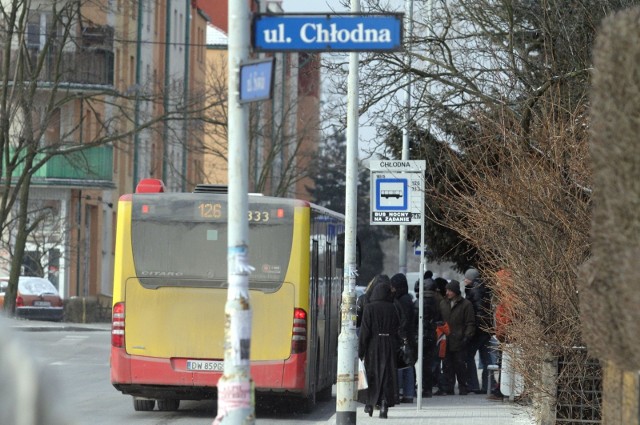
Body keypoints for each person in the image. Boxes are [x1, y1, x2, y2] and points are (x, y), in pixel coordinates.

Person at [358, 281, 400, 419]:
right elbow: (397, 328)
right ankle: (384, 404)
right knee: (387, 375)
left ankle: (370, 403)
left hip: (373, 345)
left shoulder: (369, 308)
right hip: (389, 344)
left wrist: (360, 352)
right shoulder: (393, 308)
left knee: (372, 374)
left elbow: (364, 331)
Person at [436, 280, 475, 396]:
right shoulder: (443, 304)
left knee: (460, 366)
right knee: (447, 366)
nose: (447, 292)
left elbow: (470, 323)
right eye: (447, 290)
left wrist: (467, 337)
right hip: (446, 340)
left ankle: (463, 387)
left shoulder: (466, 305)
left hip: (460, 340)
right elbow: (439, 320)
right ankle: (449, 388)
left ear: (455, 292)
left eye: (449, 290)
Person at [463, 268, 496, 394]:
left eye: (466, 278)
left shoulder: (475, 290)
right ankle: (488, 385)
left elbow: (477, 312)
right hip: (486, 329)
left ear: (471, 279)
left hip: (478, 330)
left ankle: (473, 384)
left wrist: (472, 331)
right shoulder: (483, 289)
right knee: (486, 358)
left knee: (469, 356)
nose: (464, 280)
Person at [390, 273, 416, 403]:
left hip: (404, 338)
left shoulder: (402, 300)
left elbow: (403, 321)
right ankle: (408, 394)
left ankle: (402, 393)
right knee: (407, 364)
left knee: (403, 365)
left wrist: (401, 335)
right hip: (408, 337)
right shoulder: (406, 298)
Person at [414, 276, 442, 397]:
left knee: (414, 362)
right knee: (428, 364)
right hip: (431, 335)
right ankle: (427, 388)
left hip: (419, 335)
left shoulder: (418, 303)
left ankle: (415, 388)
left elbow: (413, 320)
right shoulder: (437, 302)